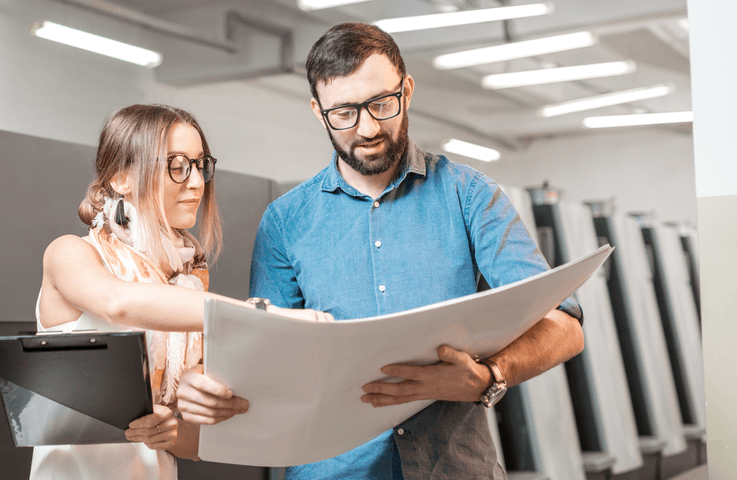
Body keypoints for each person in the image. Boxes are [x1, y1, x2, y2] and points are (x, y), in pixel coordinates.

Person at [175, 23, 585, 480]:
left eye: (380, 104)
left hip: (451, 468)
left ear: (406, 90)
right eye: (344, 113)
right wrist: (205, 384)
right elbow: (268, 361)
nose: (367, 128)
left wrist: (489, 377)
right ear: (318, 110)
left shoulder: (469, 195)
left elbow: (565, 326)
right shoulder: (285, 221)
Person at [32, 103, 331, 480]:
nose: (196, 182)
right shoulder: (71, 253)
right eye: (177, 166)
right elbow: (119, 304)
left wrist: (172, 428)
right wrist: (268, 315)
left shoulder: (185, 284)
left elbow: (193, 443)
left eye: (200, 165)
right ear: (122, 177)